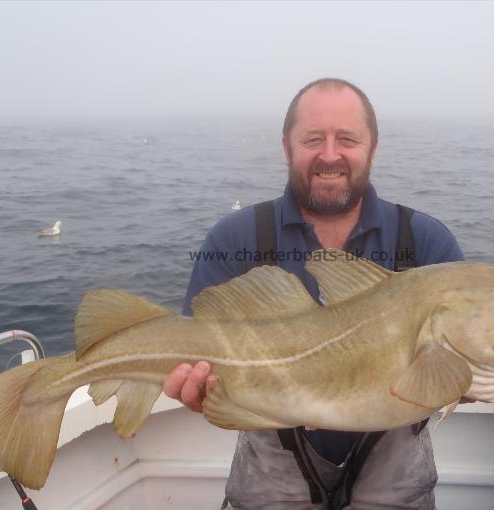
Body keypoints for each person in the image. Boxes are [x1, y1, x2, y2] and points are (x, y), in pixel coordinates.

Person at [163, 78, 464, 509]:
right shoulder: (234, 238)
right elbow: (197, 360)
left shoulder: (426, 242)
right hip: (271, 473)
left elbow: (466, 362)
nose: (329, 155)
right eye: (312, 139)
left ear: (373, 148)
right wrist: (200, 391)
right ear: (286, 148)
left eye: (347, 139)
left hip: (396, 477)